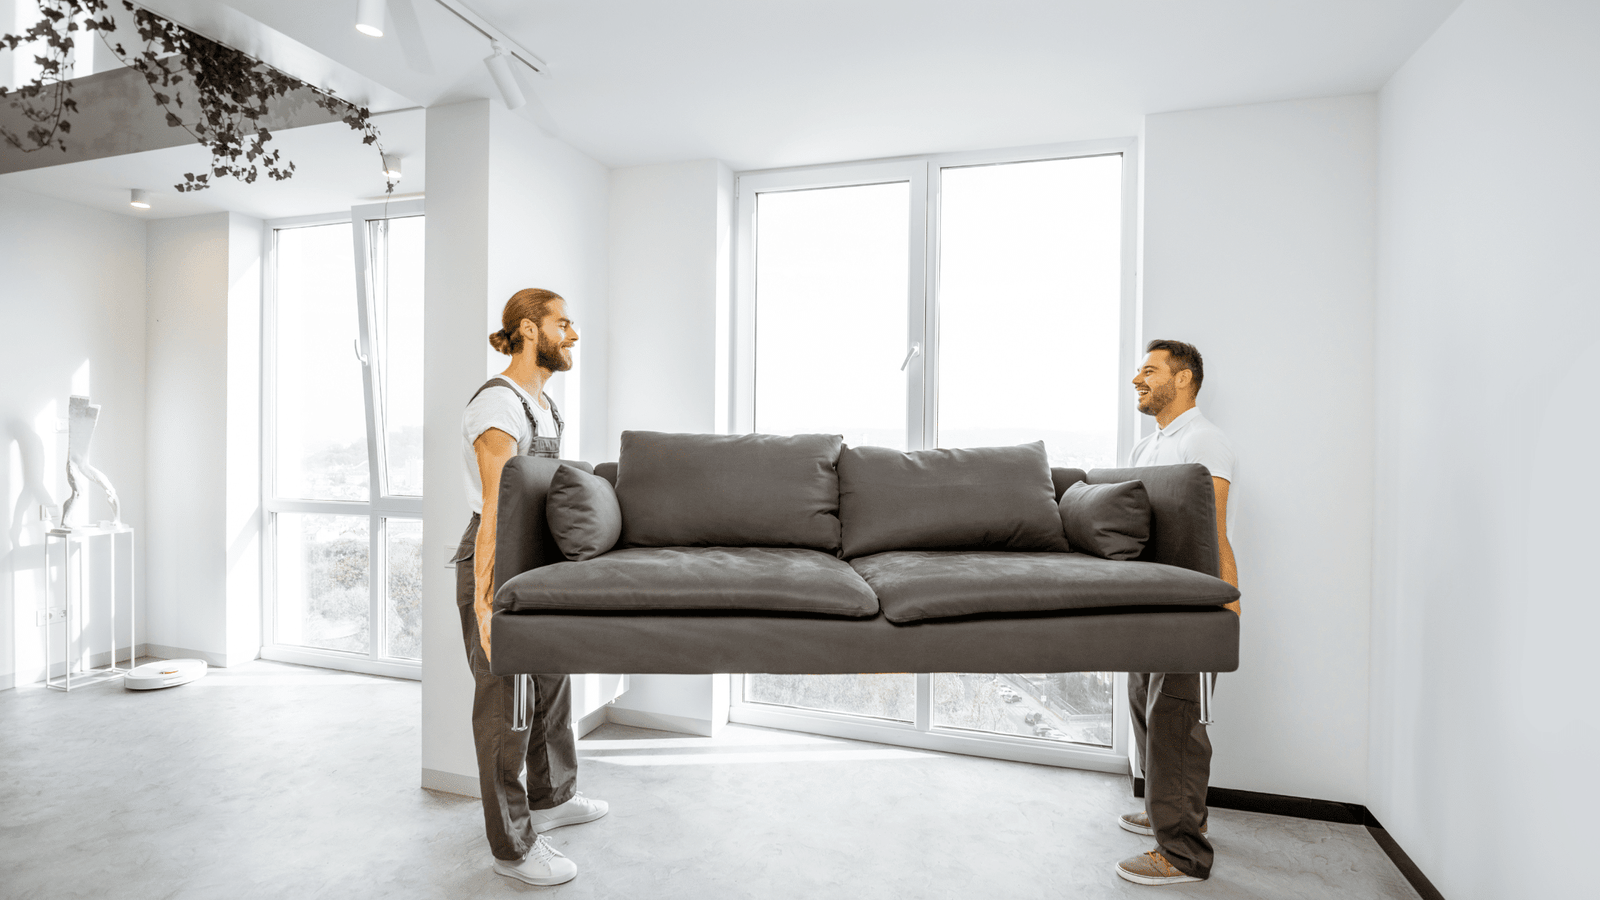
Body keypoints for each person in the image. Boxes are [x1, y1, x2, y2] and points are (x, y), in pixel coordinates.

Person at [454, 288, 608, 886]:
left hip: (537, 559)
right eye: (562, 324)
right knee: (505, 704)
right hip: (497, 557)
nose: (572, 335)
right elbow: (495, 508)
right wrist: (488, 595)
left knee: (551, 686)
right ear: (527, 329)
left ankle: (554, 796)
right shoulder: (498, 405)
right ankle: (512, 847)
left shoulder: (544, 404)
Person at [1115, 339, 1238, 887]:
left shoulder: (1205, 440)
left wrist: (1223, 605)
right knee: (1144, 702)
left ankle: (1184, 853)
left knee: (1178, 720)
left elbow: (1214, 529)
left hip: (1190, 602)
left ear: (1183, 378)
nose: (1137, 379)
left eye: (1149, 370)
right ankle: (1169, 812)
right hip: (1150, 599)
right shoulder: (1148, 448)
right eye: (1137, 370)